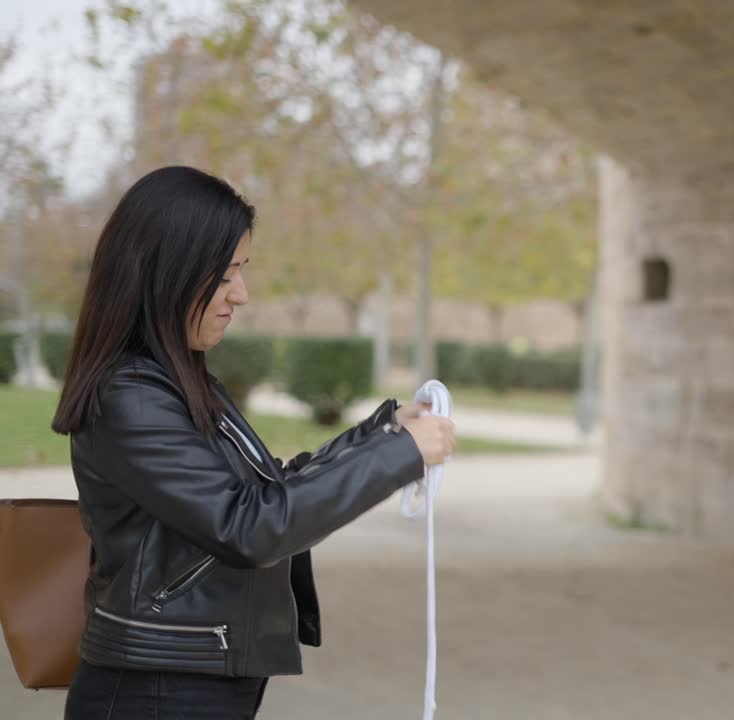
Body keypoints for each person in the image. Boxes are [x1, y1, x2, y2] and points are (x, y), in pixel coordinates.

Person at [51, 165, 456, 719]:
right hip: (155, 694)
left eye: (241, 271)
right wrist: (398, 455)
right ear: (166, 273)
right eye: (223, 275)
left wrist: (383, 434)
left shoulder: (176, 380)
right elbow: (248, 526)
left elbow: (265, 491)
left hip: (188, 683)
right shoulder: (132, 396)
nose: (240, 294)